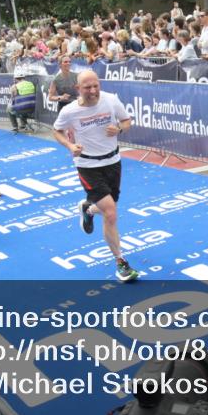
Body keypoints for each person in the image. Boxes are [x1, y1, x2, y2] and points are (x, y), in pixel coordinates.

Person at [52, 71, 138, 282]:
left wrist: (118, 128)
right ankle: (121, 263)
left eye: (95, 86)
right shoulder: (70, 111)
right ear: (77, 89)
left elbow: (127, 121)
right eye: (87, 88)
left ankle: (88, 210)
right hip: (87, 164)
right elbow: (57, 131)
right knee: (110, 213)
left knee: (110, 206)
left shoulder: (110, 100)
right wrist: (70, 145)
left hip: (112, 161)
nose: (93, 91)